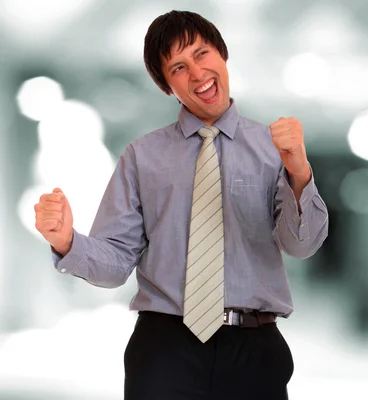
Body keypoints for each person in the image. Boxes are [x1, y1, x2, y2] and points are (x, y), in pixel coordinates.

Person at [33, 10, 328, 400]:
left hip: (254, 349)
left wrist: (299, 172)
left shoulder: (275, 151)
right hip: (164, 348)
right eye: (178, 66)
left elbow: (301, 245)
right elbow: (116, 263)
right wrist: (67, 241)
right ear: (166, 85)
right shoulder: (142, 156)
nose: (197, 73)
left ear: (222, 55)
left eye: (203, 54)